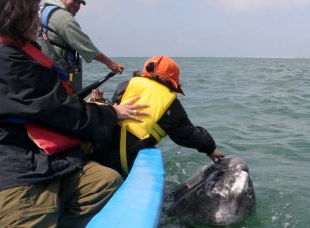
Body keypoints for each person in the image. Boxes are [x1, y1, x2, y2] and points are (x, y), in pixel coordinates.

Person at [0, 1, 147, 228]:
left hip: (42, 156)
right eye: (31, 15)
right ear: (11, 18)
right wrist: (112, 114)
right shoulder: (6, 59)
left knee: (105, 181)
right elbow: (61, 112)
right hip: (16, 164)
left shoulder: (20, 52)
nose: (37, 22)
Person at [91, 56, 225, 176]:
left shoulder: (126, 85)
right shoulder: (170, 103)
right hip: (123, 162)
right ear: (173, 81)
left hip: (99, 149)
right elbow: (187, 134)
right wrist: (210, 149)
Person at [38, 0, 124, 92]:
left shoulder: (40, 11)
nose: (77, 5)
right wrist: (111, 64)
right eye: (74, 1)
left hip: (38, 69)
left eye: (79, 3)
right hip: (54, 74)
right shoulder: (63, 17)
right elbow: (85, 46)